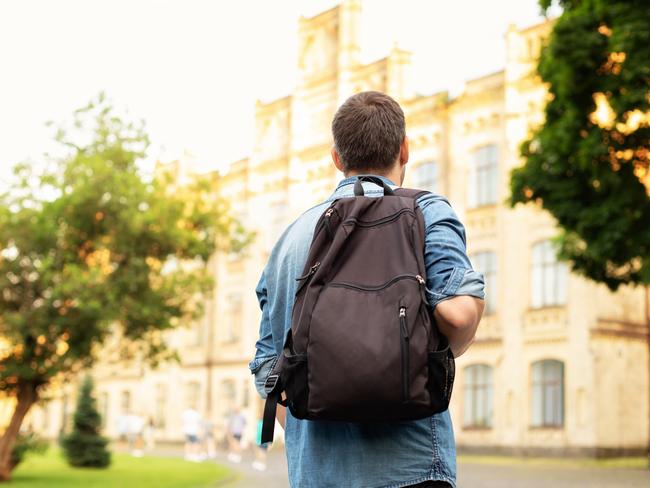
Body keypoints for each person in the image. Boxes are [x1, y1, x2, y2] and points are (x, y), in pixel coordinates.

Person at [249, 91, 485, 488]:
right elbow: (458, 313)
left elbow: (267, 368)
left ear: (337, 158)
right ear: (405, 150)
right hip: (411, 469)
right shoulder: (425, 212)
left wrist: (319, 420)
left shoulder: (289, 241)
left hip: (316, 475)